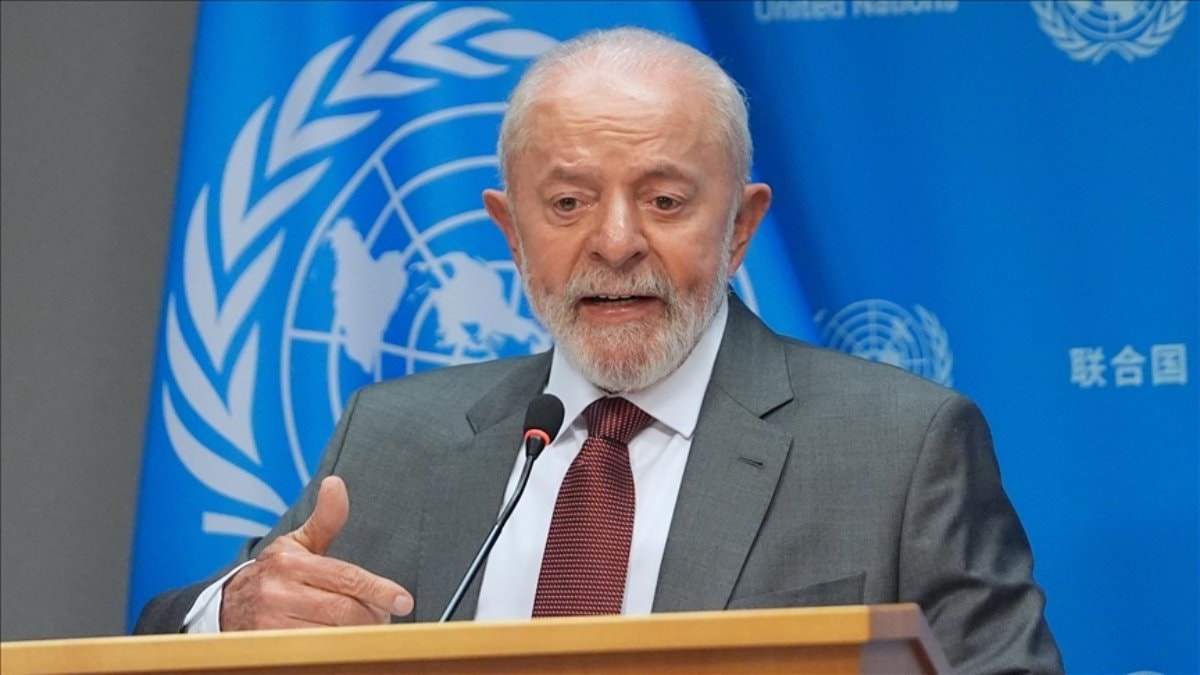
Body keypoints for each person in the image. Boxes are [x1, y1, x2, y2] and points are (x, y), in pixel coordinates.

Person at [135, 27, 1063, 673]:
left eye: (664, 201)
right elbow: (164, 630)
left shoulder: (900, 448)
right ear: (511, 231)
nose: (615, 243)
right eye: (568, 203)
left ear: (740, 227)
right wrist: (236, 609)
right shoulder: (394, 436)